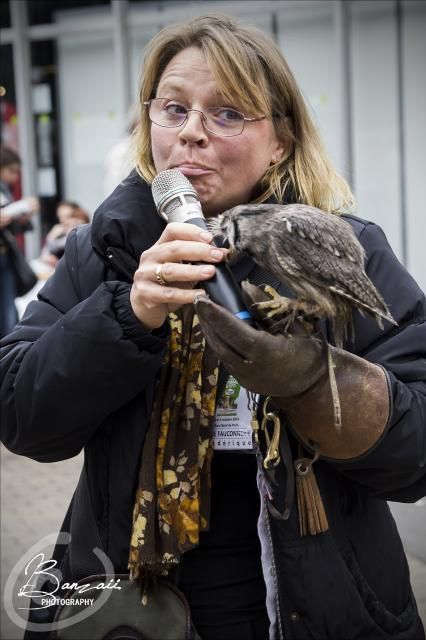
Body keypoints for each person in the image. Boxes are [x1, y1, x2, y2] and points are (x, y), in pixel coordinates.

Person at [0, 14, 425, 640]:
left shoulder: (343, 248)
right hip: (131, 604)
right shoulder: (105, 251)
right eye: (174, 109)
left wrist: (312, 381)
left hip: (317, 606)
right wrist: (127, 313)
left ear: (280, 139)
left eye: (227, 113)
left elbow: (415, 457)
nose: (191, 133)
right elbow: (21, 415)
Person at [0, 145, 39, 337]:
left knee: (8, 309)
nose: (14, 177)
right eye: (11, 171)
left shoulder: (4, 189)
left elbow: (10, 227)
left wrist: (21, 217)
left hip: (5, 257)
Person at [40, 200, 90, 268]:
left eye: (67, 216)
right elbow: (45, 255)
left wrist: (51, 237)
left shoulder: (80, 232)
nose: (62, 220)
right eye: (60, 217)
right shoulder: (60, 232)